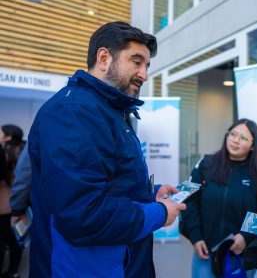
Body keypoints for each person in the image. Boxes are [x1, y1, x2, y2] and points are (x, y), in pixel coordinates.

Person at [27, 21, 186, 278]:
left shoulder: (106, 110)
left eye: (146, 65)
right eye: (136, 62)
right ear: (103, 58)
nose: (144, 74)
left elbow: (109, 182)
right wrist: (158, 213)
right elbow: (84, 214)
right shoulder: (74, 113)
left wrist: (150, 194)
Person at [180, 118, 257, 278]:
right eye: (233, 134)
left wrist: (245, 237)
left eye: (244, 138)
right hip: (205, 252)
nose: (236, 140)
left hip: (242, 257)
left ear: (253, 146)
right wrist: (195, 236)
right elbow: (187, 199)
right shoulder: (206, 164)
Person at [0, 124, 26, 278]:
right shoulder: (24, 149)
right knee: (18, 237)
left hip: (5, 201)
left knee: (2, 238)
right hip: (23, 201)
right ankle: (14, 271)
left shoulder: (4, 151)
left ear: (8, 136)